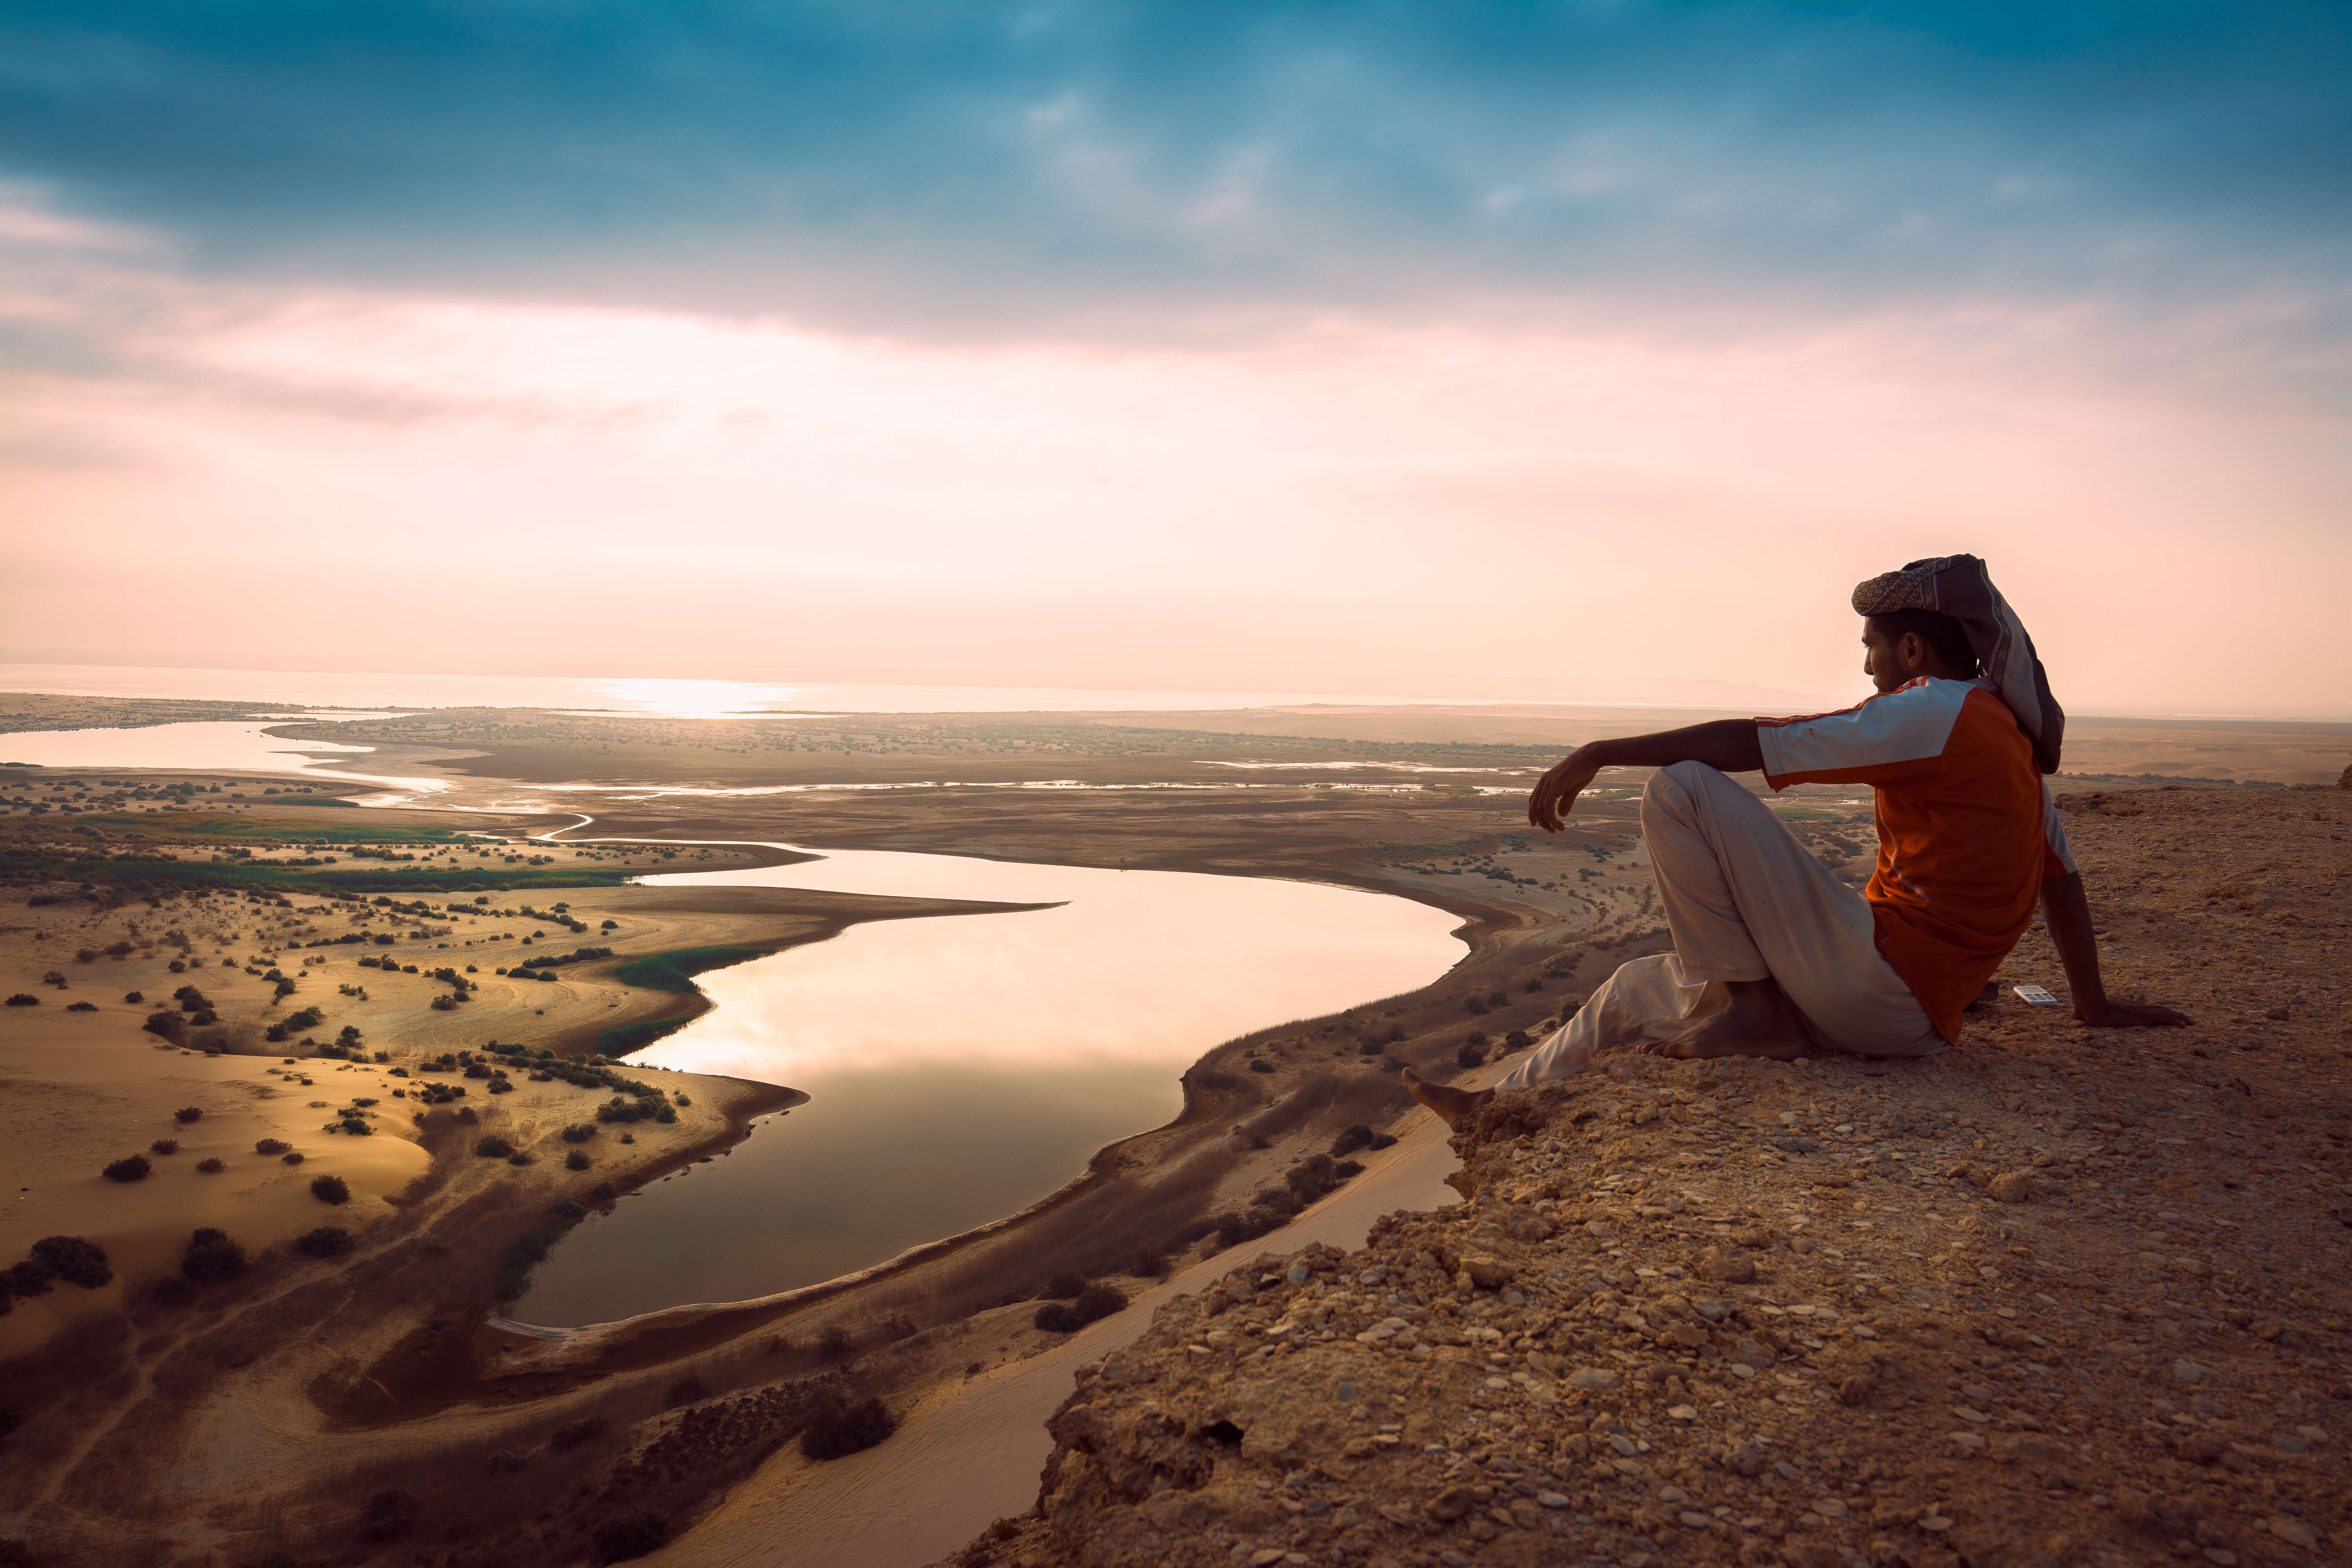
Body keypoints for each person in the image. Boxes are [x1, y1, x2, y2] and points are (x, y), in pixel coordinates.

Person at [1404, 554, 2189, 1127]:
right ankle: (1493, 1107)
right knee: (1636, 985)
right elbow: (2063, 880)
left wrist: (1603, 750)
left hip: (1881, 985)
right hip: (1907, 1012)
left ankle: (1753, 1011)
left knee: (1679, 787)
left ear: (1913, 651)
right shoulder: (2006, 737)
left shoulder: (1932, 709)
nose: (1867, 662)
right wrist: (2091, 1003)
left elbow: (1755, 740)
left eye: (1874, 646)